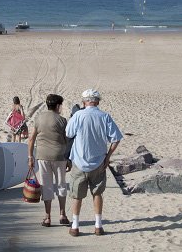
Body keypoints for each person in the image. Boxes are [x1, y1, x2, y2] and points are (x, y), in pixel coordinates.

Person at [66, 89, 123, 237]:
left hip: (79, 161)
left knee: (77, 195)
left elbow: (68, 133)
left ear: (84, 101)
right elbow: (116, 138)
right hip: (98, 162)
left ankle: (75, 225)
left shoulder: (78, 115)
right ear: (97, 101)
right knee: (97, 193)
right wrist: (108, 156)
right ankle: (98, 225)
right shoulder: (104, 116)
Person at [27, 94, 71, 227]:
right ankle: (62, 214)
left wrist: (30, 157)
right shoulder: (62, 120)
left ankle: (47, 217)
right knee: (61, 185)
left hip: (43, 156)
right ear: (58, 106)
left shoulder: (39, 118)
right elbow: (67, 141)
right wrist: (68, 159)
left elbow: (31, 139)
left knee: (46, 186)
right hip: (59, 156)